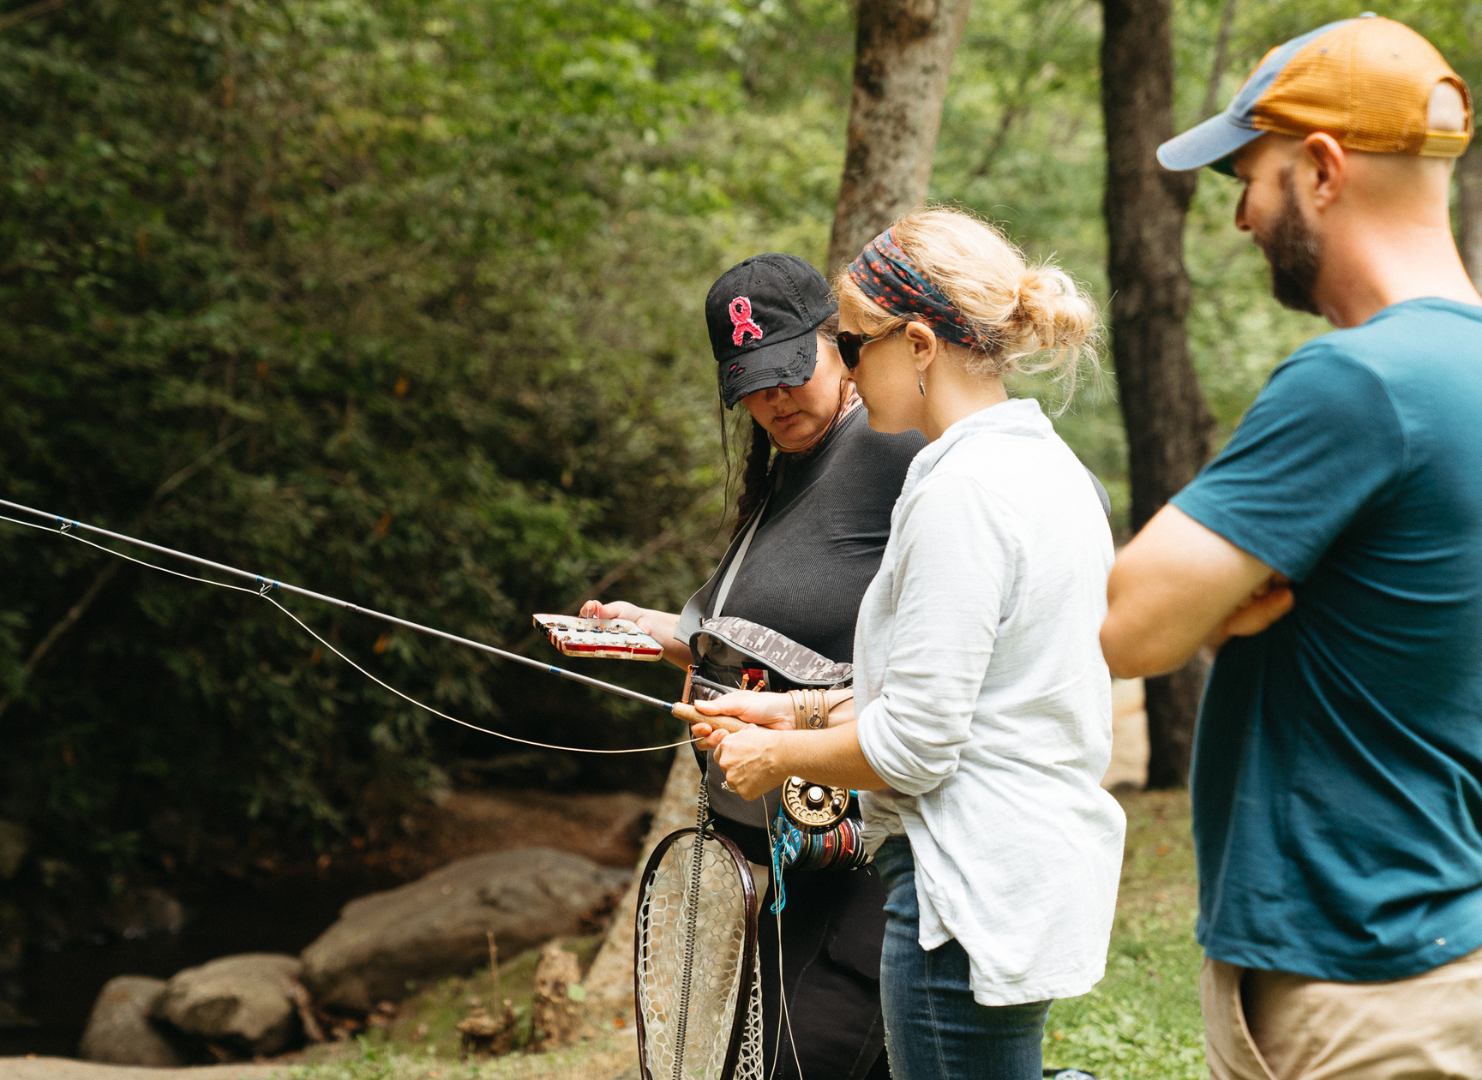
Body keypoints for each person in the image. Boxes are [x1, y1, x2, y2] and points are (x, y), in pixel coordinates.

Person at [1101, 15, 1482, 1079]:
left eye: (1253, 176)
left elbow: (1127, 625)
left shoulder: (1359, 383)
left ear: (1321, 169)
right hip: (1445, 940)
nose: (1238, 215)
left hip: (1364, 985)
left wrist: (1210, 605)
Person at [693, 209, 1120, 1080]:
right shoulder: (1047, 467)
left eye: (852, 345)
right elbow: (969, 691)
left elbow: (916, 747)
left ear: (919, 343)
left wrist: (775, 758)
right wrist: (791, 706)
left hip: (959, 894)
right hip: (1022, 875)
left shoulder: (961, 491)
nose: (845, 367)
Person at [583, 252, 925, 1080]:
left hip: (858, 857)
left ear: (837, 344)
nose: (773, 400)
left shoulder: (892, 445)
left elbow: (1054, 501)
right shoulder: (791, 469)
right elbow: (793, 623)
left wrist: (832, 706)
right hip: (779, 865)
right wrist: (677, 634)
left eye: (789, 372)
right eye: (751, 385)